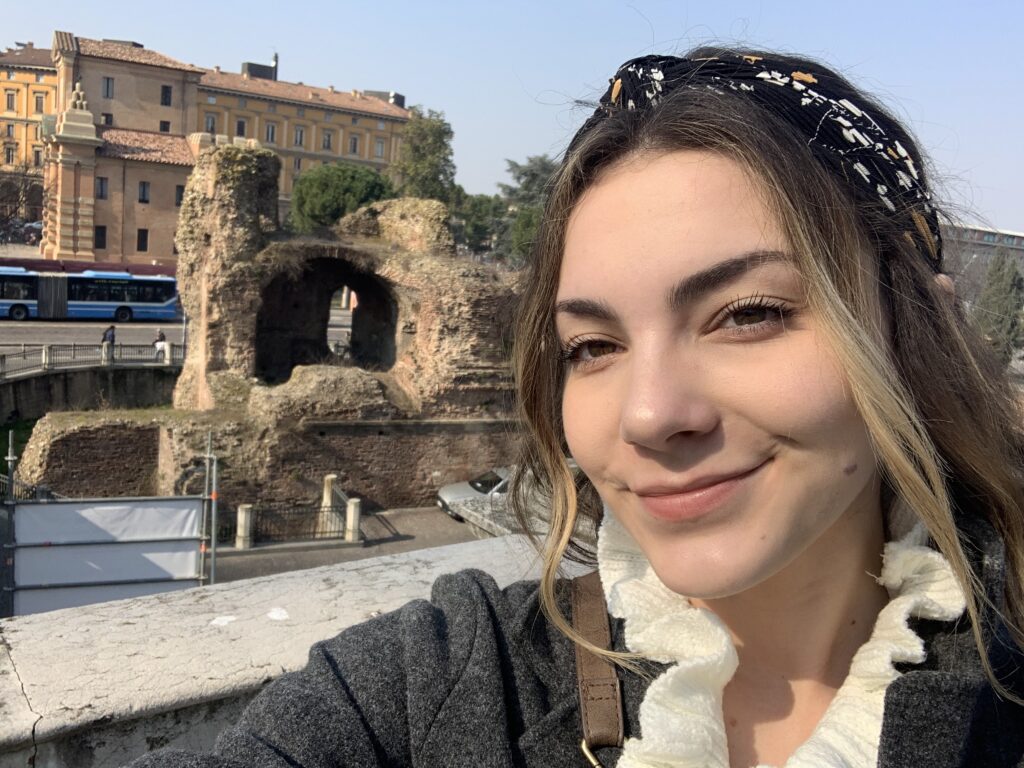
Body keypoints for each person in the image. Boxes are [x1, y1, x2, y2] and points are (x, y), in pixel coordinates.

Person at [128, 48, 1024, 768]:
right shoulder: (441, 681)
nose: (647, 415)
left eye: (749, 313)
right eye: (592, 347)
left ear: (918, 328)